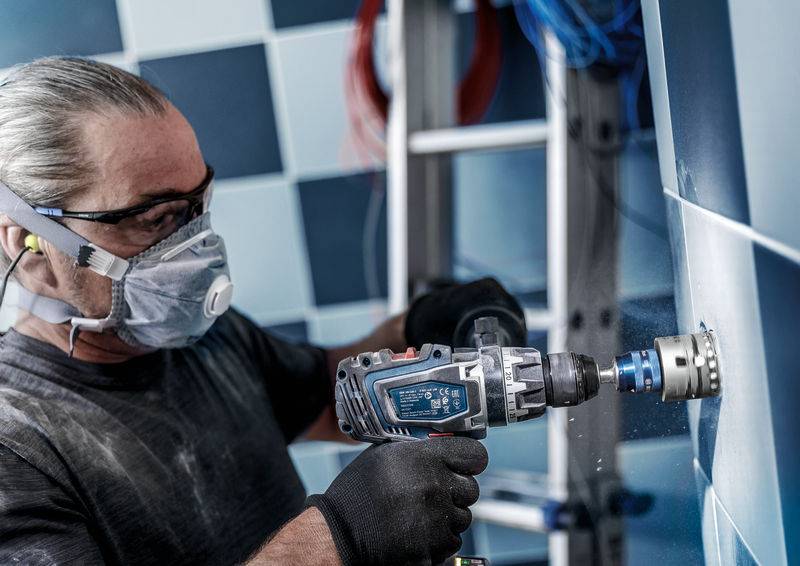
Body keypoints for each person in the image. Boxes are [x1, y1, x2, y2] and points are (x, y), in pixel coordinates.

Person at [0, 57, 492, 565]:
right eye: (155, 219)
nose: (195, 248)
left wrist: (419, 327)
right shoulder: (15, 450)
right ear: (30, 251)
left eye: (197, 206)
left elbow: (335, 401)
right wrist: (340, 536)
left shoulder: (203, 336)